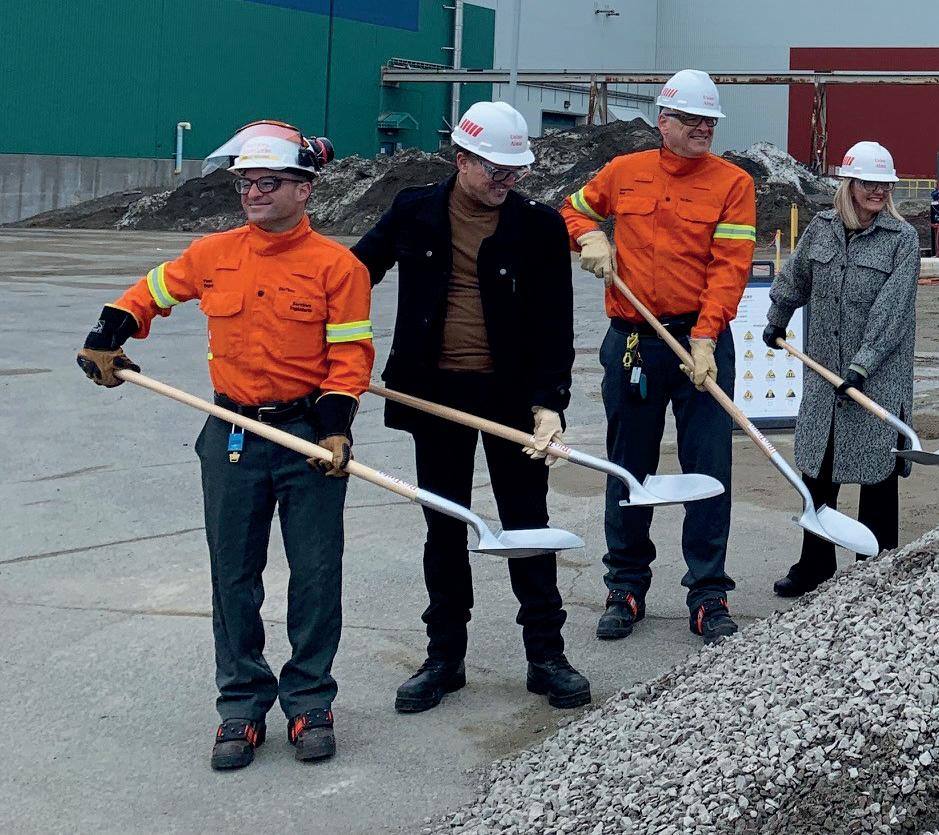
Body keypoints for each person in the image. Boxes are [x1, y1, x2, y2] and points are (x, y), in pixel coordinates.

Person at [75, 124, 369, 770]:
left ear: (303, 188)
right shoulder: (213, 254)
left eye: (268, 182)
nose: (253, 193)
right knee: (232, 574)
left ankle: (310, 702)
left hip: (307, 435)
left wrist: (335, 426)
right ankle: (241, 705)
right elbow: (151, 293)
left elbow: (350, 355)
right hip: (231, 431)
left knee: (316, 574)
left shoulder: (337, 267)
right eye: (245, 183)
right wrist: (107, 333)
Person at [350, 102, 589, 713]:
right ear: (462, 160)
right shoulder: (414, 211)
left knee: (527, 526)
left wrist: (550, 404)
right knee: (445, 526)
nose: (507, 181)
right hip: (433, 394)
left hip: (510, 398)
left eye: (515, 171)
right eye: (495, 171)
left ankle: (546, 655)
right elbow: (352, 273)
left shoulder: (537, 226)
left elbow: (555, 323)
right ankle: (444, 658)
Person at [560, 69, 757, 646]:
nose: (703, 129)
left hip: (700, 341)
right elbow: (572, 210)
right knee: (629, 466)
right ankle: (625, 587)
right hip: (633, 342)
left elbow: (730, 267)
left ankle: (708, 593)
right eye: (692, 120)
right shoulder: (624, 172)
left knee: (708, 469)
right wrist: (589, 236)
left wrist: (706, 336)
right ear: (663, 121)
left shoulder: (733, 184)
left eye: (709, 121)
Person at [763, 140, 919, 597]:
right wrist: (777, 318)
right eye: (869, 183)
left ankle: (877, 568)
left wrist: (862, 365)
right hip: (824, 374)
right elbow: (796, 277)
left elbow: (892, 313)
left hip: (877, 378)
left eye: (884, 184)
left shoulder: (902, 239)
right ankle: (814, 564)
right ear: (849, 185)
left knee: (877, 475)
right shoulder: (823, 228)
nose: (877, 191)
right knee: (819, 471)